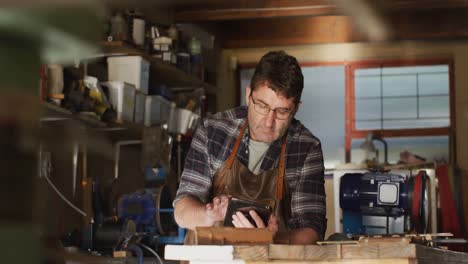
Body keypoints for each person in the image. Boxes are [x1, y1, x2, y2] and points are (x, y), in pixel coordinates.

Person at [173, 50, 326, 244]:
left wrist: (273, 238)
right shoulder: (214, 131)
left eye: (281, 111)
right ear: (248, 95)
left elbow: (312, 231)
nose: (269, 122)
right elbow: (182, 211)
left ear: (295, 109)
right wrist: (209, 215)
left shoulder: (306, 148)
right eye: (261, 105)